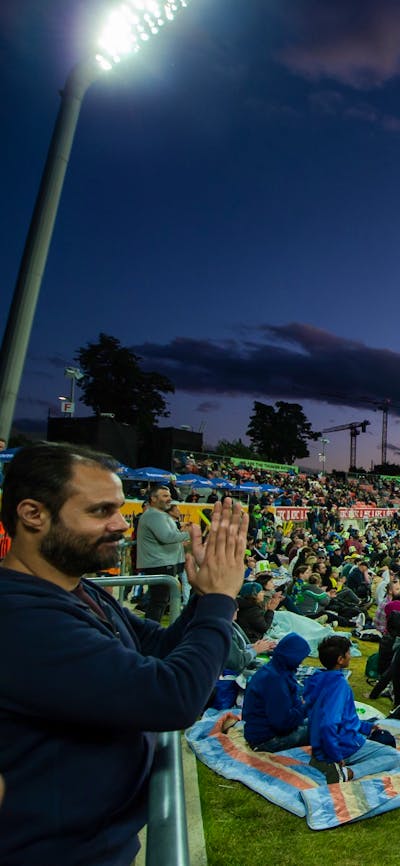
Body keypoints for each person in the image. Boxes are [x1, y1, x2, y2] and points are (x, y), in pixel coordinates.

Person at [0, 442, 248, 866]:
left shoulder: (75, 586)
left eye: (119, 509)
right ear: (33, 514)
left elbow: (157, 649)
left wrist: (203, 595)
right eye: (100, 511)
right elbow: (171, 697)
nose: (122, 525)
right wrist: (219, 601)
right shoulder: (18, 618)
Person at [304, 636, 400, 783]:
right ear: (340, 659)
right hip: (343, 745)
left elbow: (335, 717)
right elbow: (329, 723)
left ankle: (325, 762)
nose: (350, 655)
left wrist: (367, 727)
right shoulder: (339, 685)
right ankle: (347, 773)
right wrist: (335, 755)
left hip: (320, 746)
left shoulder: (316, 679)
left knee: (375, 727)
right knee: (394, 756)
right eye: (348, 652)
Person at [242, 633, 310, 751]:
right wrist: (304, 708)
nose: (301, 662)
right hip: (266, 739)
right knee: (322, 729)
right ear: (293, 657)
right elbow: (283, 724)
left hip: (268, 729)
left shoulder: (278, 670)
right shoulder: (274, 680)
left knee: (319, 719)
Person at [136, 485, 190, 621]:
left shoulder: (159, 515)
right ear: (153, 498)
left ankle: (151, 632)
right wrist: (190, 534)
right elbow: (167, 537)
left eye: (169, 496)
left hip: (163, 562)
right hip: (160, 563)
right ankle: (150, 634)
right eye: (165, 496)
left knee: (160, 602)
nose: (169, 499)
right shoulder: (153, 515)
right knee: (158, 602)